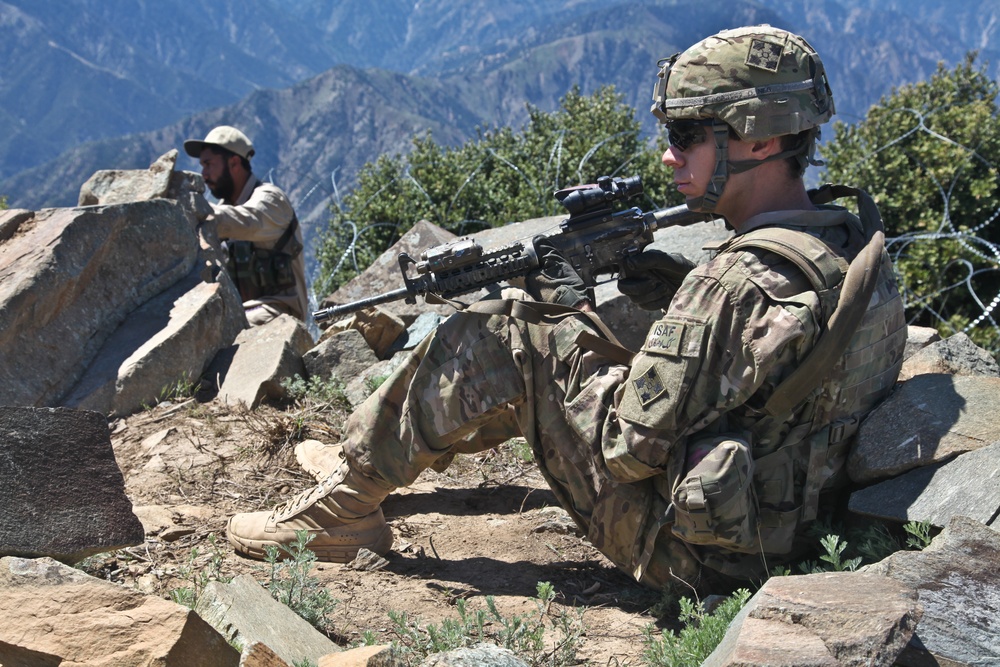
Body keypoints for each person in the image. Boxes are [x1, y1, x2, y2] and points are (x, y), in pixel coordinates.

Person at [226, 25, 907, 594]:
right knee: (554, 338)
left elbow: (624, 448)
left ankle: (341, 505)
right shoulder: (848, 239)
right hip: (784, 526)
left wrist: (569, 314)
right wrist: (671, 294)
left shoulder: (736, 282)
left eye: (691, 133)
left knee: (508, 331)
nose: (668, 154)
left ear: (760, 140)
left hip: (696, 555)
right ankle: (391, 452)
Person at [184, 125, 308, 325]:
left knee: (231, 330)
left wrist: (194, 209)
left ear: (234, 163)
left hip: (280, 310)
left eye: (208, 164)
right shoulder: (224, 208)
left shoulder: (271, 200)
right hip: (240, 308)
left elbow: (248, 221)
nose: (204, 174)